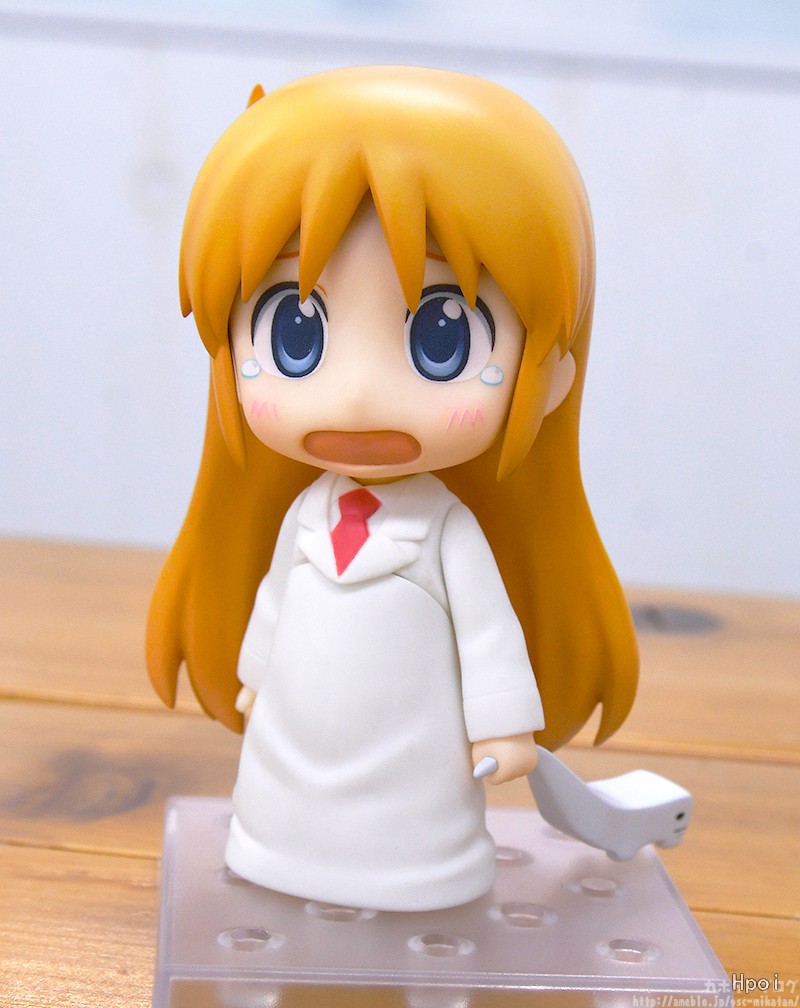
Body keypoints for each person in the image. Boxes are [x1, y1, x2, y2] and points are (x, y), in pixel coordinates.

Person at [146, 66, 638, 911]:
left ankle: (416, 868)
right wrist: (256, 674)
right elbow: (273, 600)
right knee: (280, 806)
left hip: (416, 795)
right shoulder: (305, 515)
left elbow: (487, 636)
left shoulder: (448, 534)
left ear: (550, 372)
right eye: (294, 331)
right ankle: (272, 845)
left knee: (411, 821)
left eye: (442, 337)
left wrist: (500, 721)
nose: (358, 395)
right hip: (287, 768)